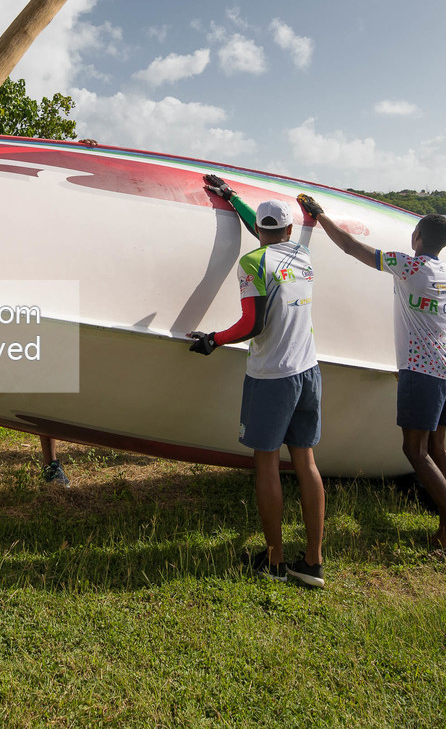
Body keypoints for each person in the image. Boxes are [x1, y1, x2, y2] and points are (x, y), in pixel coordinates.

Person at [299, 196, 446, 562]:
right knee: (436, 449)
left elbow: (353, 247)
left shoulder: (409, 266)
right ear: (443, 244)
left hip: (421, 370)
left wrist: (319, 216)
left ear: (416, 237)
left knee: (414, 451)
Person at [189, 176, 325, 588]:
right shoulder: (302, 255)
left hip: (272, 378)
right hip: (308, 372)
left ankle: (276, 560)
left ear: (262, 233)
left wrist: (213, 340)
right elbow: (266, 234)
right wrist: (234, 198)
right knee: (306, 463)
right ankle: (313, 562)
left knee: (266, 463)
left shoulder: (254, 262)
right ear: (286, 230)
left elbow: (253, 323)